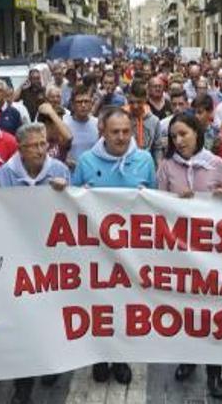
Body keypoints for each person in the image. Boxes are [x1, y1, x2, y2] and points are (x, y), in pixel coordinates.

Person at [0, 122, 69, 403]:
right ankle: (23, 389)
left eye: (44, 144)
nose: (41, 150)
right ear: (20, 149)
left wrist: (68, 192)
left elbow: (79, 212)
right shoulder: (3, 174)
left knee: (52, 319)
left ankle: (52, 362)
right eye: (34, 145)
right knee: (25, 324)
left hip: (51, 262)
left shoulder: (59, 171)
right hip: (18, 261)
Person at [71, 108, 156, 386]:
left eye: (125, 131)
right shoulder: (85, 161)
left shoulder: (144, 160)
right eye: (114, 132)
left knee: (124, 308)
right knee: (97, 308)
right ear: (102, 132)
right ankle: (99, 356)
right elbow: (69, 206)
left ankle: (120, 358)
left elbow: (156, 205)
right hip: (95, 253)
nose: (121, 137)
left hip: (131, 255)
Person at [158, 112, 222, 399]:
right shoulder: (166, 166)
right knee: (186, 313)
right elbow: (156, 206)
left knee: (212, 315)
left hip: (213, 256)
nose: (178, 141)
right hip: (180, 255)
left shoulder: (217, 164)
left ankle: (215, 373)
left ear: (197, 133)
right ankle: (188, 359)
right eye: (174, 136)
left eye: (184, 134)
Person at [63, 85, 99, 169]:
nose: (83, 105)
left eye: (86, 101)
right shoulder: (64, 125)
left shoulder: (98, 124)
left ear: (91, 103)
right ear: (72, 104)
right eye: (79, 102)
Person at [153, 88, 190, 162]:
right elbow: (156, 147)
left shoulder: (193, 124)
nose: (177, 108)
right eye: (174, 104)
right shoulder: (162, 124)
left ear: (187, 104)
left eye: (180, 104)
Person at [124, 82, 161, 152]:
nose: (135, 106)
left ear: (145, 100)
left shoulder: (154, 121)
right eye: (131, 102)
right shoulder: (122, 119)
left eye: (139, 102)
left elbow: (157, 147)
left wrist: (158, 162)